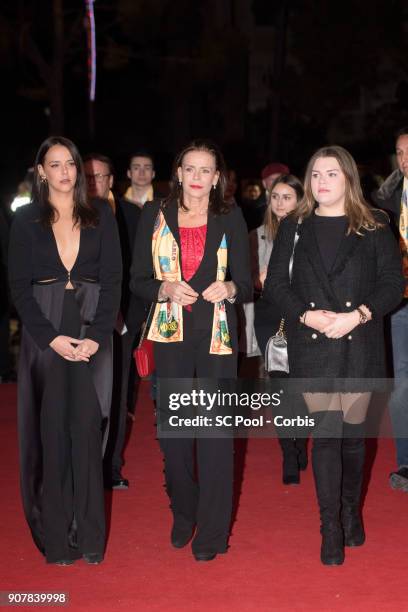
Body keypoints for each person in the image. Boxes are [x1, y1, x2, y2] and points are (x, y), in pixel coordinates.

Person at [264, 145, 404, 565]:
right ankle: (330, 527)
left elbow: (392, 285)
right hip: (315, 347)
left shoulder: (376, 224)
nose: (321, 182)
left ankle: (349, 511)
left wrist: (359, 315)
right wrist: (307, 316)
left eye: (331, 174)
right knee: (326, 439)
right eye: (316, 175)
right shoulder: (295, 225)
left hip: (359, 346)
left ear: (348, 179)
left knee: (354, 442)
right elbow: (275, 286)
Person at [130, 139, 251, 562]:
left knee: (216, 435)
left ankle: (213, 533)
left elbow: (248, 283)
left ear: (217, 178)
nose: (198, 178)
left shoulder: (230, 214)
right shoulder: (154, 215)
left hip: (217, 336)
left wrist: (232, 286)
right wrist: (162, 286)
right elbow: (137, 280)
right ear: (178, 172)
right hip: (171, 334)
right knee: (176, 437)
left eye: (207, 171)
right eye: (191, 169)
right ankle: (184, 512)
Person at [8, 136, 122, 565]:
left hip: (93, 328)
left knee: (89, 434)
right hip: (46, 333)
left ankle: (90, 539)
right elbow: (18, 288)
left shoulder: (102, 217)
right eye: (54, 164)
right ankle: (56, 539)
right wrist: (50, 337)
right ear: (42, 171)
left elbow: (113, 280)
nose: (64, 171)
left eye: (70, 164)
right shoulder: (25, 221)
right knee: (50, 434)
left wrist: (96, 334)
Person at [84, 153, 146, 490]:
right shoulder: (67, 214)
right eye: (87, 177)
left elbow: (140, 270)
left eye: (100, 177)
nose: (94, 183)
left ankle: (111, 466)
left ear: (111, 181)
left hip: (121, 322)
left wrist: (130, 318)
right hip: (76, 320)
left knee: (116, 394)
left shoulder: (132, 216)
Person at [251, 174, 307, 484]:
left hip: (305, 317)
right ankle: (288, 449)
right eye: (276, 197)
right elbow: (245, 282)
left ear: (300, 200)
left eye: (288, 197)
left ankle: (299, 438)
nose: (281, 203)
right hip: (271, 317)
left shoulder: (312, 232)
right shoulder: (257, 236)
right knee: (279, 384)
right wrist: (256, 279)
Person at [372, 127, 408, 492]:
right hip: (399, 303)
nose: (405, 158)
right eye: (399, 152)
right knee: (402, 384)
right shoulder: (383, 200)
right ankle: (407, 461)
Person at [241, 162, 289, 232]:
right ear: (264, 183)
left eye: (281, 178)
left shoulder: (297, 206)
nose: (277, 182)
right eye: (272, 179)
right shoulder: (252, 209)